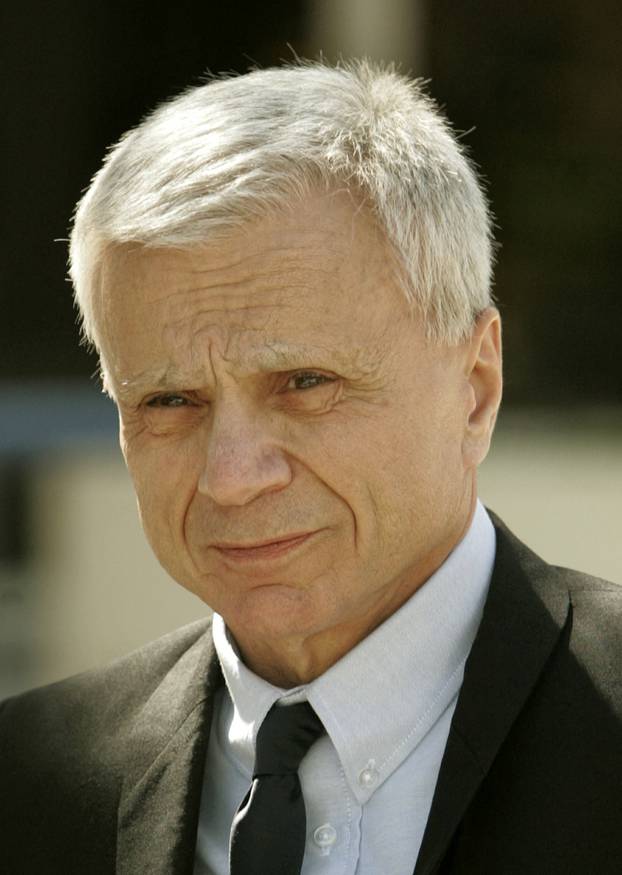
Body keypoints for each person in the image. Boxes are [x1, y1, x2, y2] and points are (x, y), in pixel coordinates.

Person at [1, 60, 620, 875]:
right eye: (169, 402)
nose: (231, 477)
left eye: (304, 383)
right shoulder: (27, 790)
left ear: (474, 390)